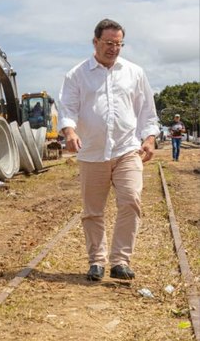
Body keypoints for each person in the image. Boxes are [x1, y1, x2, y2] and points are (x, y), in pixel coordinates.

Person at [57, 18, 159, 282]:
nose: (114, 48)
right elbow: (67, 109)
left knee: (131, 201)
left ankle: (121, 261)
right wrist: (69, 131)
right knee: (93, 211)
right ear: (95, 42)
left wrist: (149, 138)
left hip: (127, 150)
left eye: (119, 44)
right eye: (109, 43)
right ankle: (96, 261)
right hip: (92, 153)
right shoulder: (77, 75)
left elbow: (148, 111)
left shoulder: (134, 73)